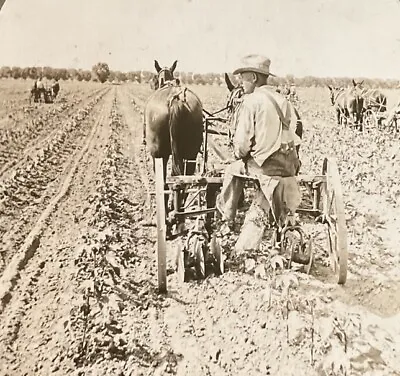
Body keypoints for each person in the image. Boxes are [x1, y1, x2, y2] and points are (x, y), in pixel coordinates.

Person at [216, 54, 302, 252]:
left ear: (254, 78)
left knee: (232, 170)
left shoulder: (251, 101)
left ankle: (227, 217)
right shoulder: (285, 102)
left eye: (243, 77)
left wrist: (239, 154)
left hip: (264, 168)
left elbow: (242, 145)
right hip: (288, 166)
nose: (241, 81)